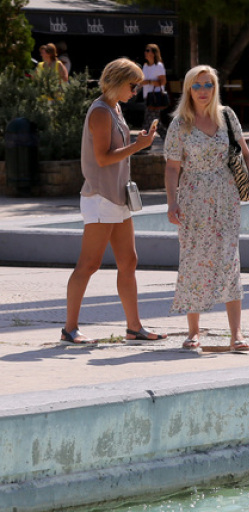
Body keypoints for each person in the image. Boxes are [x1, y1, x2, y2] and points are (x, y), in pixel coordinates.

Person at [62, 58, 165, 346]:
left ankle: (134, 328)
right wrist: (137, 146)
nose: (136, 91)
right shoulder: (100, 112)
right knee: (89, 264)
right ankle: (69, 329)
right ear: (118, 82)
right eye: (133, 85)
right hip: (101, 197)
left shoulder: (115, 108)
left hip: (118, 196)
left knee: (129, 261)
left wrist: (137, 143)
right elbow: (103, 158)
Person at [164, 65, 249, 352]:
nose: (203, 91)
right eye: (197, 86)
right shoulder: (179, 124)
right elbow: (172, 168)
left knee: (229, 260)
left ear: (215, 87)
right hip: (193, 199)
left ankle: (236, 333)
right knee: (193, 259)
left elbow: (246, 154)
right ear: (188, 89)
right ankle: (193, 331)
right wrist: (171, 201)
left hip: (226, 197)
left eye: (208, 85)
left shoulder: (227, 116)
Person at [141, 43, 169, 135]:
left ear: (154, 53)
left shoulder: (158, 66)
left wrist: (149, 82)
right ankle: (168, 138)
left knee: (150, 121)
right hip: (147, 96)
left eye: (148, 50)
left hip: (155, 97)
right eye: (145, 50)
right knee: (153, 121)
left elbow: (163, 82)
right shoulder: (145, 66)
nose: (145, 52)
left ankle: (144, 140)